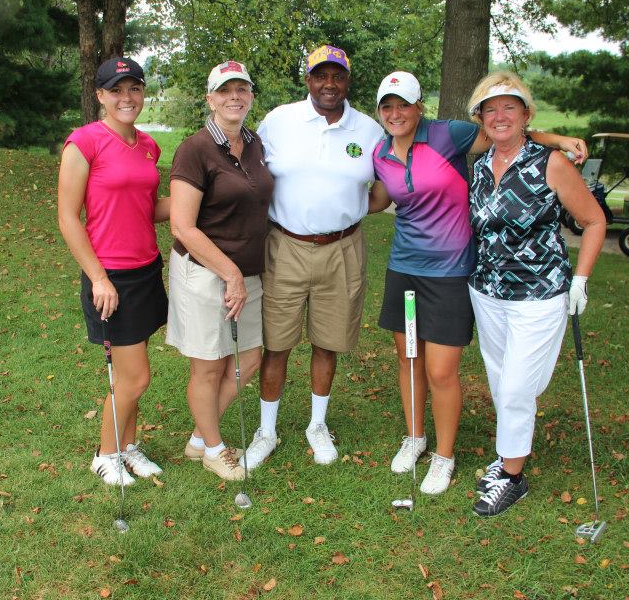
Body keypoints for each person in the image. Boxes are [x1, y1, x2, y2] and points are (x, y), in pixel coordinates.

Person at [368, 71, 589, 496]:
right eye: (387, 106)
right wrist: (344, 197)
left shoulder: (448, 134)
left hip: (450, 274)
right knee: (409, 357)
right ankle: (415, 437)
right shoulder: (381, 151)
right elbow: (382, 196)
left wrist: (558, 140)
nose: (395, 113)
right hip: (404, 270)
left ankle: (444, 456)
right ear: (380, 111)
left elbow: (504, 133)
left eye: (404, 104)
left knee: (440, 370)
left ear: (419, 107)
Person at [466, 71, 605, 516]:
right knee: (499, 380)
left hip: (539, 294)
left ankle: (512, 477)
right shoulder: (480, 165)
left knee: (516, 387)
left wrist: (580, 279)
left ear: (526, 114)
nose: (499, 116)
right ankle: (507, 454)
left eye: (510, 107)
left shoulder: (551, 163)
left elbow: (594, 221)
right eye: (490, 109)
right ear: (480, 118)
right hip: (487, 291)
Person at [241, 45, 384, 470]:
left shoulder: (369, 130)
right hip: (285, 246)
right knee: (277, 343)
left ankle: (317, 425)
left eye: (337, 76)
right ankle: (266, 430)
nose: (329, 84)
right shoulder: (279, 121)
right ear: (308, 79)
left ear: (347, 81)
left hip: (343, 248)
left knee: (328, 341)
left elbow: (382, 189)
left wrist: (345, 211)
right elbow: (248, 172)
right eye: (321, 75)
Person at [57, 57, 168, 486]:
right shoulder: (84, 142)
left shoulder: (149, 145)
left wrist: (198, 198)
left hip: (146, 269)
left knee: (129, 375)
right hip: (111, 277)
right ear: (100, 95)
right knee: (136, 378)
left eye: (134, 88)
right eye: (116, 90)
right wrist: (98, 278)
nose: (127, 98)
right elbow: (68, 217)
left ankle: (127, 445)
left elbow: (146, 207)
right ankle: (106, 454)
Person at [166, 60, 274, 481]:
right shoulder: (194, 149)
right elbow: (182, 226)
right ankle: (214, 449)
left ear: (250, 96)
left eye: (241, 89)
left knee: (248, 359)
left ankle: (199, 438)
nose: (234, 97)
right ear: (210, 99)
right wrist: (229, 274)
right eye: (225, 90)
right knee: (209, 366)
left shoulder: (255, 142)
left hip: (246, 274)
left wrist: (239, 275)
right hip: (204, 273)